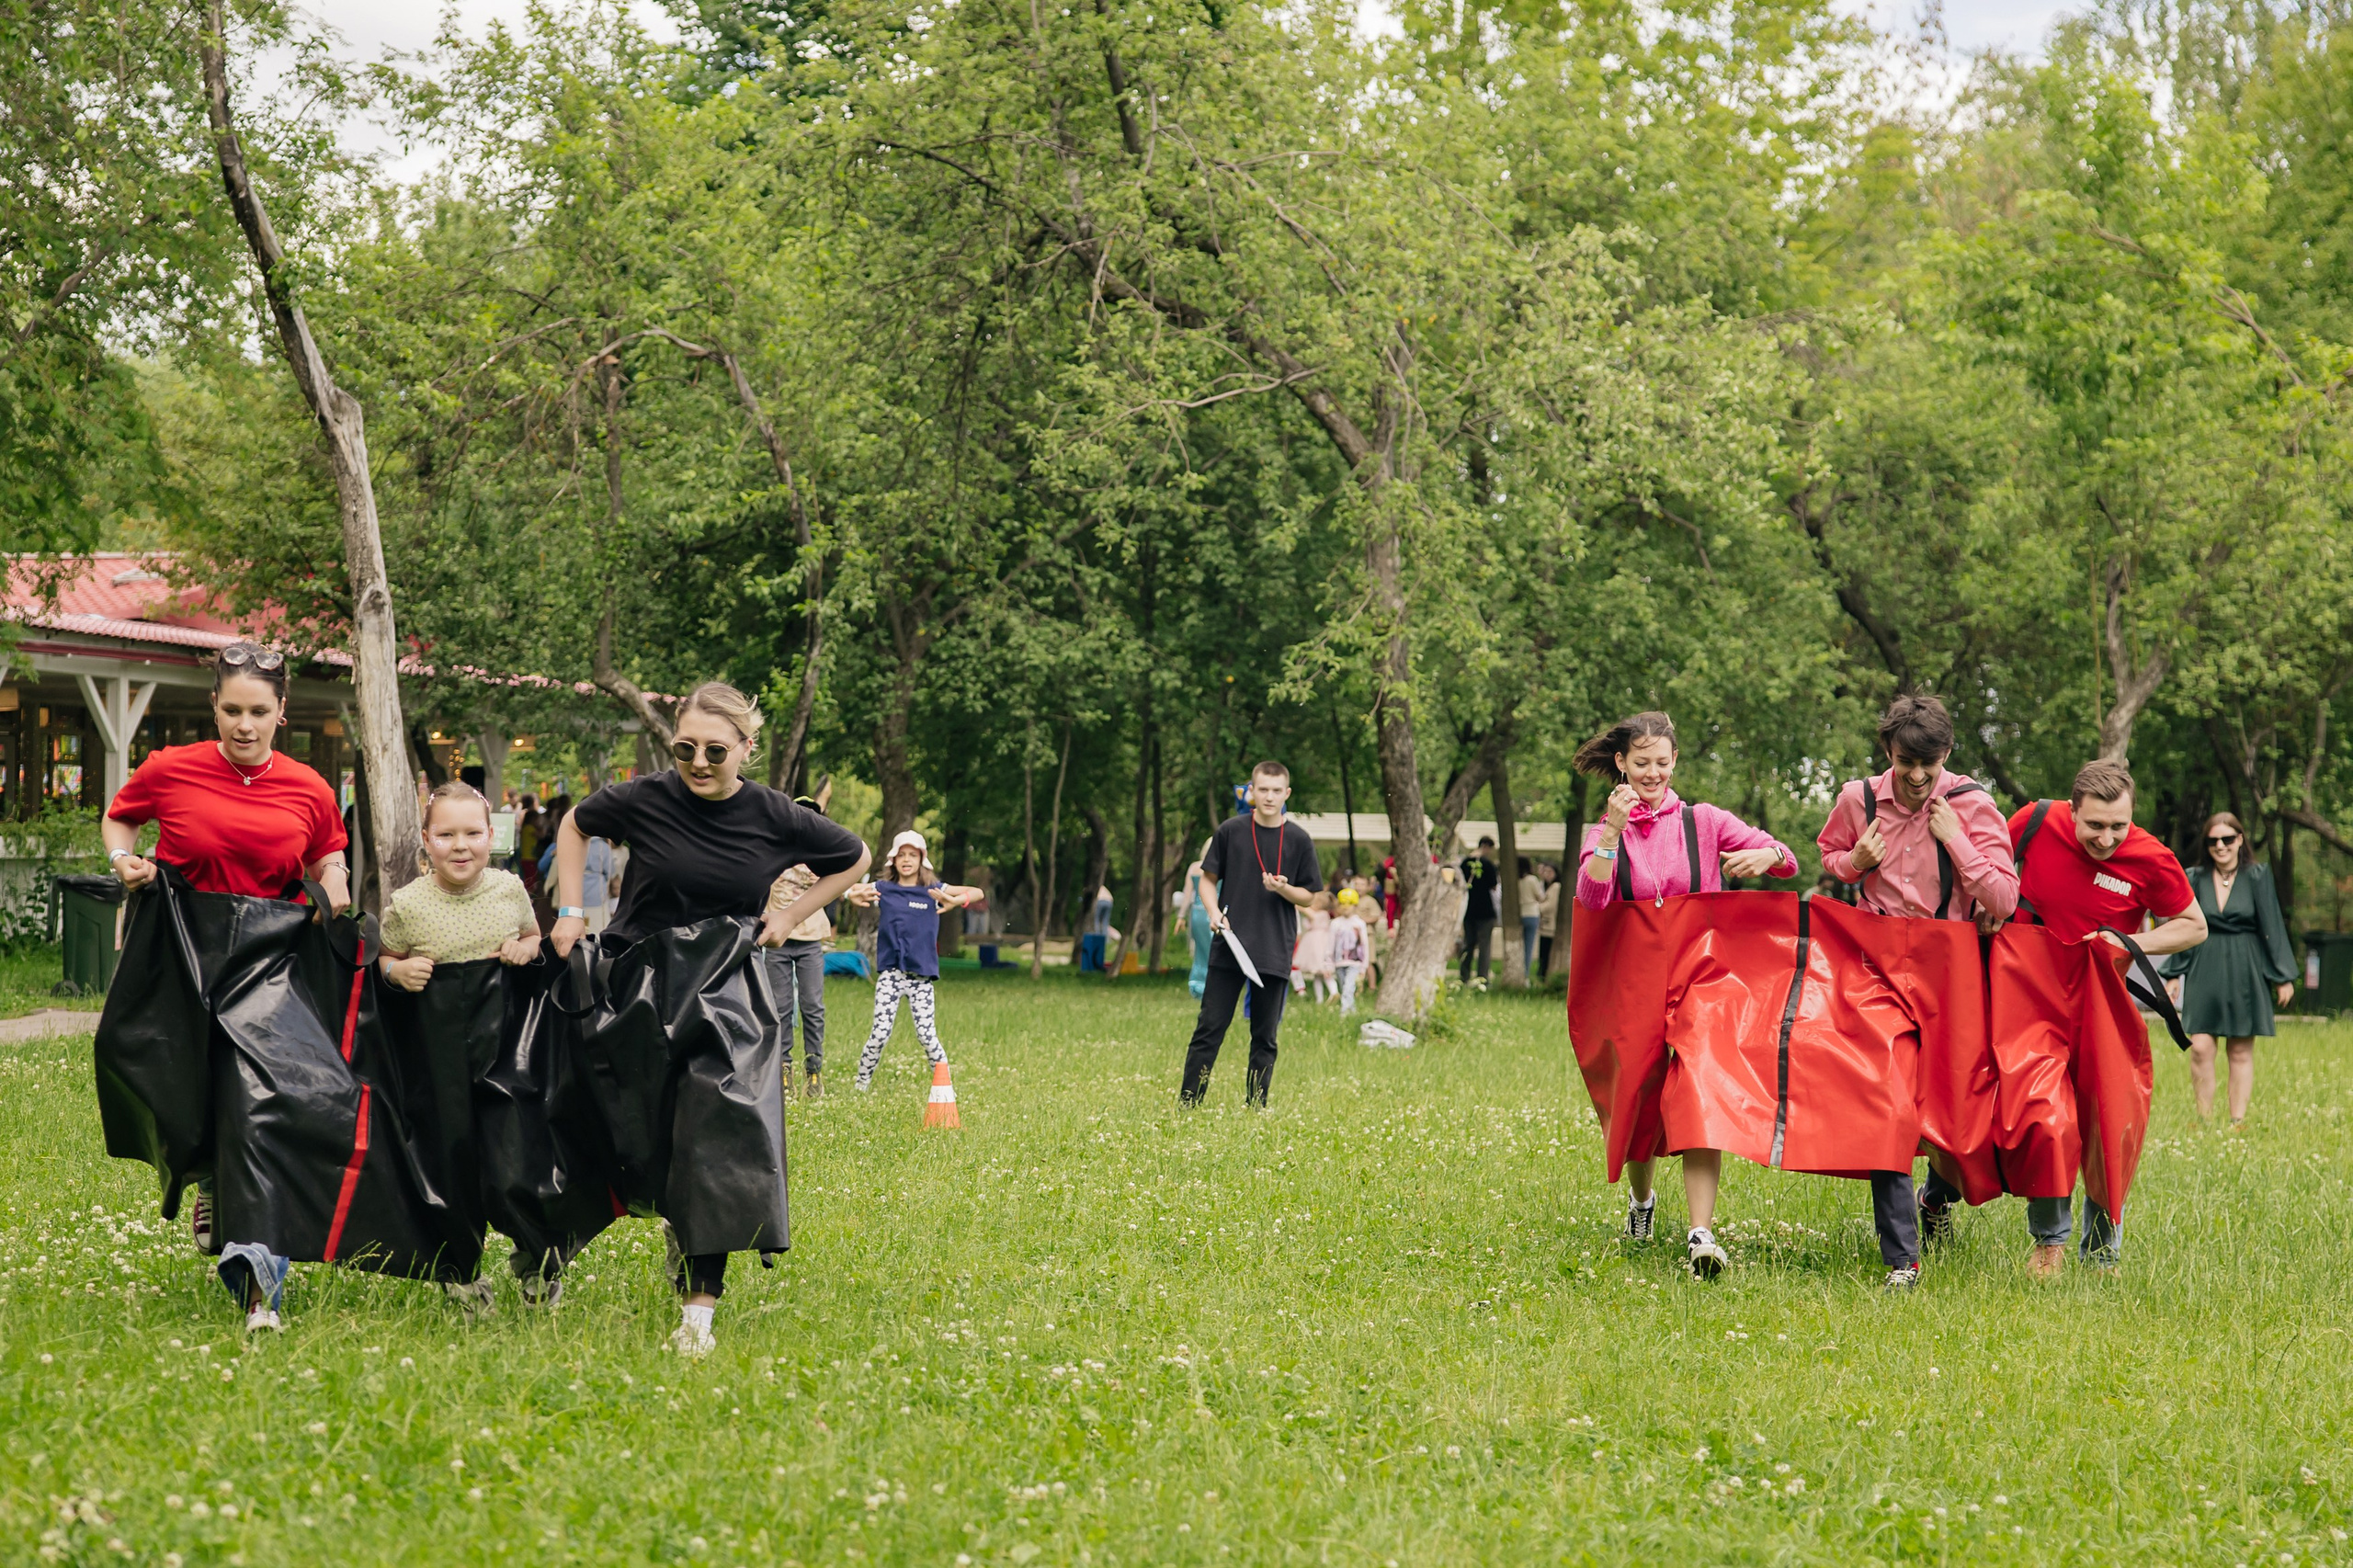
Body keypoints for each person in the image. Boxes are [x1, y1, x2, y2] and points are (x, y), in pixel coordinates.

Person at [551, 682, 870, 1353]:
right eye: (685, 748)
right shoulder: (645, 798)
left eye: (716, 751)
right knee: (612, 1132)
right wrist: (571, 912)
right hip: (636, 984)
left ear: (746, 749)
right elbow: (575, 825)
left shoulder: (775, 814)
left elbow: (855, 858)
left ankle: (698, 1317)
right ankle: (547, 1254)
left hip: (725, 993)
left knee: (718, 1137)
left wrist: (787, 915)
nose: (698, 762)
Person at [101, 642, 352, 1334]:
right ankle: (210, 1175)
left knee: (265, 1102)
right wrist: (124, 858)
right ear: (213, 705)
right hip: (183, 952)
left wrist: (334, 887)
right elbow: (122, 817)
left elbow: (329, 854)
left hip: (271, 960)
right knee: (190, 1086)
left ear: (281, 712)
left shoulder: (308, 786)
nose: (245, 725)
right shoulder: (170, 768)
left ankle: (259, 1273)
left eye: (259, 712)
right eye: (233, 709)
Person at [1573, 710, 1797, 1279]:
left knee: (1703, 1084)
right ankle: (1642, 1201)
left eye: (1662, 762)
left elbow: (1786, 858)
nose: (1652, 773)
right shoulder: (1603, 831)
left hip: (1702, 976)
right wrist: (1612, 833)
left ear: (1675, 761)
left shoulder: (1705, 821)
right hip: (1634, 980)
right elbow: (1592, 899)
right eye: (1641, 763)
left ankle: (1701, 1232)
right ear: (1621, 764)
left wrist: (1768, 855)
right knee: (1639, 1093)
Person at [1815, 694, 2021, 1286]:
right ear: (1888, 752)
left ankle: (1936, 1198)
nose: (1915, 776)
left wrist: (1957, 840)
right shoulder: (1856, 799)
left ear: (1947, 754)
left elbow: (2005, 899)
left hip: (1950, 967)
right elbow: (1830, 856)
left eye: (1928, 763)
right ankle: (1901, 1260)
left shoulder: (1972, 805)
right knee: (1889, 1102)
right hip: (1874, 966)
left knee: (1959, 1115)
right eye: (1905, 762)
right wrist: (1855, 862)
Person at [2000, 759, 2206, 1274]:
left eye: (2119, 826)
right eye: (2094, 825)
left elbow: (2193, 925)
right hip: (2030, 999)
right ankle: (2049, 1242)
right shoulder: (2033, 821)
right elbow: (1984, 873)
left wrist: (2128, 941)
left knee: (2107, 1120)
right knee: (2044, 1116)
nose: (2107, 838)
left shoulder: (2151, 858)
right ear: (2071, 811)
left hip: (2102, 1005)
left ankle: (2101, 1252)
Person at [377, 780, 547, 1308]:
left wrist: (526, 947)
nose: (460, 846)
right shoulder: (407, 904)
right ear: (426, 841)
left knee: (516, 1157)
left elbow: (534, 936)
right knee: (448, 1159)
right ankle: (462, 1275)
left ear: (492, 836)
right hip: (438, 1054)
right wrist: (397, 971)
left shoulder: (509, 889)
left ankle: (537, 1264)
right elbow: (384, 958)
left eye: (473, 833)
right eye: (446, 834)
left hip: (506, 1047)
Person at [1182, 761, 1323, 1107]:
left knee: (1264, 1036)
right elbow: (1207, 881)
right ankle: (1188, 1102)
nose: (1269, 797)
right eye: (1263, 790)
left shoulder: (1299, 840)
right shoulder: (1231, 831)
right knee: (1209, 1028)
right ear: (1251, 793)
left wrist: (1283, 889)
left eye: (1276, 791)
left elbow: (1309, 896)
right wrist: (1214, 913)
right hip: (1230, 945)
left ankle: (1256, 1105)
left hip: (1274, 947)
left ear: (1287, 793)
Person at [2154, 812, 2293, 1125]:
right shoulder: (2194, 877)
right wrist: (2174, 973)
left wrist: (2282, 976)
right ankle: (2204, 1119)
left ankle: (2236, 1121)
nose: (2220, 846)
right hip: (2205, 963)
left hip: (2246, 966)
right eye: (2213, 840)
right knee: (2201, 1047)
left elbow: (2272, 926)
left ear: (2240, 840)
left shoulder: (2256, 875)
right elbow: (2184, 925)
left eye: (2227, 839)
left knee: (2240, 1050)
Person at [845, 831, 984, 1090]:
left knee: (927, 1036)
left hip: (921, 978)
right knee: (879, 1034)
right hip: (891, 975)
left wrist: (956, 901)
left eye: (912, 855)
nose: (907, 860)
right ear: (893, 860)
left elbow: (977, 892)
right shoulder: (883, 888)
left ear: (922, 859)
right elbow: (847, 888)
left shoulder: (934, 890)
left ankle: (944, 1088)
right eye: (901, 855)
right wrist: (848, 895)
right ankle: (860, 1086)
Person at [1457, 836, 1500, 989]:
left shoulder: (1464, 863)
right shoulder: (1488, 864)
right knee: (1484, 946)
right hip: (1485, 911)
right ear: (1486, 846)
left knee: (1468, 944)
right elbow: (1494, 886)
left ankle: (1464, 976)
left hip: (1469, 910)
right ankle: (1482, 978)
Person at [1176, 849, 1214, 998]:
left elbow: (1187, 894)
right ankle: (1213, 984)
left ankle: (1198, 984)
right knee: (1214, 951)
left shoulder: (1194, 867)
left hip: (1197, 913)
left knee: (1200, 950)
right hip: (1214, 913)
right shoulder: (1220, 866)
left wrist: (1181, 916)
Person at [1330, 888, 1372, 1015]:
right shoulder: (1335, 923)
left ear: (1355, 905)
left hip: (1355, 962)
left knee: (1348, 987)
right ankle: (1352, 1012)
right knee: (1345, 988)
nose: (1345, 907)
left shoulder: (1359, 923)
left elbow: (1364, 945)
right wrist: (1328, 963)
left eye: (1349, 903)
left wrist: (1364, 966)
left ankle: (1344, 1013)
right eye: (1343, 903)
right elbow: (1330, 944)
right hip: (1339, 962)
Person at [1291, 892, 1336, 1002]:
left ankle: (1334, 992)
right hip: (1314, 943)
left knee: (1324, 971)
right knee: (1317, 975)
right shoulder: (1319, 914)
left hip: (1318, 944)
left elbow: (1308, 913)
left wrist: (1298, 904)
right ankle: (1319, 999)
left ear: (1318, 904)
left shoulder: (1322, 914)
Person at [1516, 856, 1543, 977]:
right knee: (1528, 946)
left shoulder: (1514, 880)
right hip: (1531, 913)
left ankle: (1516, 971)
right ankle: (1525, 974)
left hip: (1519, 914)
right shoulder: (1532, 879)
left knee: (1518, 946)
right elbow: (1540, 896)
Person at [1535, 861, 1562, 979]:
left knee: (1546, 951)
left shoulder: (1556, 887)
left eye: (1550, 872)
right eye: (1545, 871)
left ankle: (1543, 974)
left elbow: (1550, 905)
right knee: (1543, 951)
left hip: (1550, 924)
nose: (1547, 874)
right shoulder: (1546, 886)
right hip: (1545, 924)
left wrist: (1536, 909)